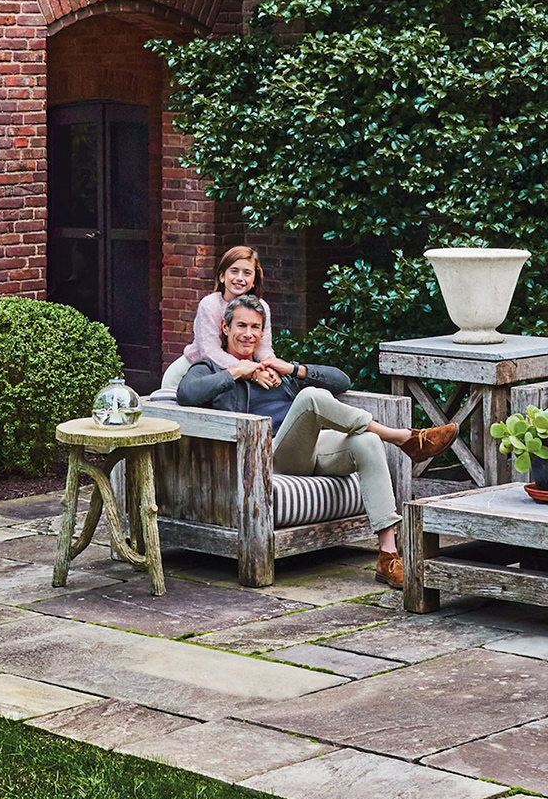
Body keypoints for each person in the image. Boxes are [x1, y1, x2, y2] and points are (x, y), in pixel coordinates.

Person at [176, 294, 457, 589]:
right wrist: (237, 371)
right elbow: (187, 394)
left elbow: (342, 381)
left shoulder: (277, 371)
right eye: (241, 326)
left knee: (367, 443)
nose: (248, 334)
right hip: (266, 456)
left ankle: (388, 555)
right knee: (311, 398)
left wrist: (293, 369)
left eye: (255, 327)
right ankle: (403, 437)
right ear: (225, 327)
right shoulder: (209, 368)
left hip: (307, 451)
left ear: (262, 331)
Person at [183, 245, 287, 376]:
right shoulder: (210, 304)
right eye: (234, 271)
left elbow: (263, 348)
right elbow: (210, 352)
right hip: (195, 370)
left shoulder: (262, 307)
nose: (239, 278)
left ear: (254, 280)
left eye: (247, 273)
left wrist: (270, 368)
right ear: (222, 276)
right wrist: (250, 371)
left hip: (238, 371)